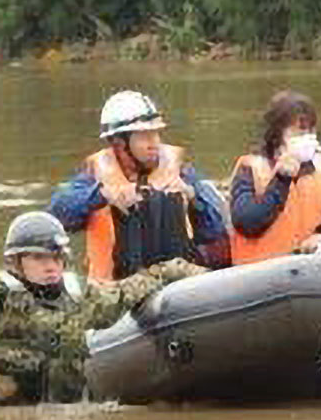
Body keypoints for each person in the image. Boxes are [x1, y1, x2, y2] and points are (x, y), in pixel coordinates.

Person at [0, 211, 207, 405]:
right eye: (39, 258)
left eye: (57, 258)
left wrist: (178, 270)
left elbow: (128, 291)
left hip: (65, 418)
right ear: (16, 262)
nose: (51, 266)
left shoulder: (77, 298)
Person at [49, 90, 228, 283]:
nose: (155, 143)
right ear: (119, 143)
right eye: (145, 137)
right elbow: (57, 214)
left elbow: (217, 229)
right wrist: (101, 195)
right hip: (117, 292)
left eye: (156, 134)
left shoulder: (183, 173)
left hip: (180, 284)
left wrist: (193, 198)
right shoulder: (93, 177)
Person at [229, 90, 321, 263]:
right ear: (277, 135)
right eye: (299, 133)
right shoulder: (251, 168)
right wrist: (281, 179)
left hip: (312, 265)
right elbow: (246, 223)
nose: (306, 139)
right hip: (262, 270)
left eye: (310, 132)